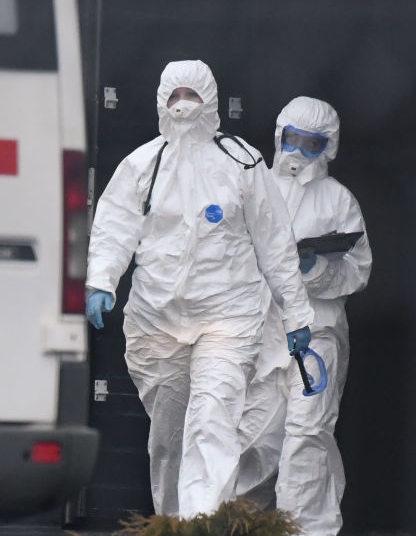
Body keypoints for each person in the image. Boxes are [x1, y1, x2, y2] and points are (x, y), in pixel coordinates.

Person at [84, 60, 315, 518]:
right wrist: (102, 280)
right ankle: (173, 523)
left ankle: (201, 523)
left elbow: (275, 242)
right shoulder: (143, 165)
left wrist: (295, 312)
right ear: (160, 101)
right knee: (169, 437)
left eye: (192, 95)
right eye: (174, 96)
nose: (183, 106)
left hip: (227, 318)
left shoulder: (242, 162)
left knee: (212, 421)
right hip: (156, 320)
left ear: (210, 100)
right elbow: (114, 227)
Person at [236, 96, 372, 536]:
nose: (298, 151)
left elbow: (359, 271)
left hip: (317, 336)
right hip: (264, 336)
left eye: (311, 143)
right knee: (254, 441)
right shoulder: (255, 189)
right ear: (279, 136)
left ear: (328, 147)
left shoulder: (338, 200)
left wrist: (314, 270)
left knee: (307, 437)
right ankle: (238, 526)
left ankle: (306, 531)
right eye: (292, 139)